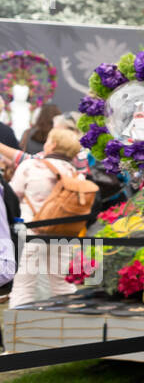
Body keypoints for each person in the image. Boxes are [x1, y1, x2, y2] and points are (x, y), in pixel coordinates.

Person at [6, 126, 83, 307]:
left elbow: (12, 195)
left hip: (33, 232)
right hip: (62, 234)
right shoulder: (75, 174)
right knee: (62, 283)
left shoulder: (31, 166)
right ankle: (68, 323)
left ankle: (20, 327)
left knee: (24, 284)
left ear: (52, 145)